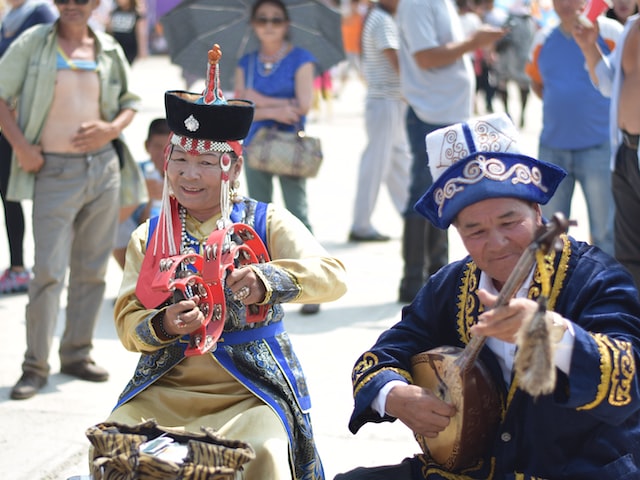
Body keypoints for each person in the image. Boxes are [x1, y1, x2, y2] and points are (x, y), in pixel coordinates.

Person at [335, 112, 640, 479]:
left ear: (538, 213)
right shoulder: (451, 285)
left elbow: (629, 378)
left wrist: (553, 336)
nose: (497, 243)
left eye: (510, 222)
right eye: (475, 230)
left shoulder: (595, 278)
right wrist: (395, 395)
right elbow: (377, 360)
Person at [104, 44, 347, 480]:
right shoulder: (150, 235)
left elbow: (333, 277)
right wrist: (164, 325)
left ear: (232, 169)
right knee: (114, 443)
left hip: (250, 390)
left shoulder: (266, 221)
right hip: (167, 384)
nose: (189, 174)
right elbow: (128, 325)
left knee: (264, 452)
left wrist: (266, 278)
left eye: (204, 162)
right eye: (179, 160)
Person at [0, 0, 141, 400]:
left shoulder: (108, 47)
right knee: (47, 272)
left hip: (103, 169)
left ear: (95, 3)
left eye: (82, 0)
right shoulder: (34, 42)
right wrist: (23, 148)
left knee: (92, 270)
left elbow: (130, 102)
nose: (72, 6)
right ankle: (35, 365)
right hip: (53, 170)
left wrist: (110, 128)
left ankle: (77, 353)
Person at [395, 0, 505, 303]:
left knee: (445, 194)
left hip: (443, 111)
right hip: (431, 113)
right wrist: (474, 42)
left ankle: (435, 276)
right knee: (425, 194)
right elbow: (426, 57)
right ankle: (416, 281)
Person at [234, 0, 320, 315]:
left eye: (276, 19)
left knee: (297, 213)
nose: (269, 25)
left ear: (286, 23)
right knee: (257, 218)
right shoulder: (246, 61)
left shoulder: (302, 59)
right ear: (253, 24)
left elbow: (303, 106)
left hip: (289, 149)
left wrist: (260, 102)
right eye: (262, 19)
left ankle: (311, 283)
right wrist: (276, 108)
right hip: (255, 146)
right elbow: (241, 105)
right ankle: (263, 287)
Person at [525, 0, 622, 258]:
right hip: (553, 148)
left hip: (599, 147)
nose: (565, 3)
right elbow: (536, 82)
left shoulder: (611, 32)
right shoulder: (543, 38)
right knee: (549, 232)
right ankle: (554, 293)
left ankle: (607, 293)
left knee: (605, 233)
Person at [573, 1, 640, 290]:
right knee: (628, 256)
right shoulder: (632, 27)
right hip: (624, 152)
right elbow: (610, 83)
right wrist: (590, 47)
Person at [0, 0, 57, 294]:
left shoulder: (41, 12)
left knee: (44, 198)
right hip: (7, 122)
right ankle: (19, 267)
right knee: (9, 195)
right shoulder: (10, 15)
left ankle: (46, 268)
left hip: (31, 124)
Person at [348, 0, 410, 243]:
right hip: (386, 101)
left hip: (389, 100)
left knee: (398, 163)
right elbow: (396, 62)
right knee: (377, 163)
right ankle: (361, 224)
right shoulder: (383, 20)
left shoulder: (380, 17)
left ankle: (415, 217)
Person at [113, 117, 169, 269]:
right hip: (142, 233)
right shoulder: (135, 174)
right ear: (147, 146)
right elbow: (117, 218)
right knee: (117, 225)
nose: (162, 154)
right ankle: (133, 277)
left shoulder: (184, 174)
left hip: (174, 238)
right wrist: (144, 195)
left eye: (168, 148)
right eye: (157, 146)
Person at [493, 0, 537, 128]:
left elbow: (503, 40)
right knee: (523, 88)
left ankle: (508, 113)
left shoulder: (511, 21)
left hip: (508, 61)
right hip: (524, 61)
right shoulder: (531, 23)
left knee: (503, 85)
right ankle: (521, 114)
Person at [106, 0, 147, 65]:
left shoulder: (135, 13)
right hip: (116, 47)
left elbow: (140, 33)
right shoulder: (114, 12)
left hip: (130, 48)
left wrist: (142, 50)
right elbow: (109, 31)